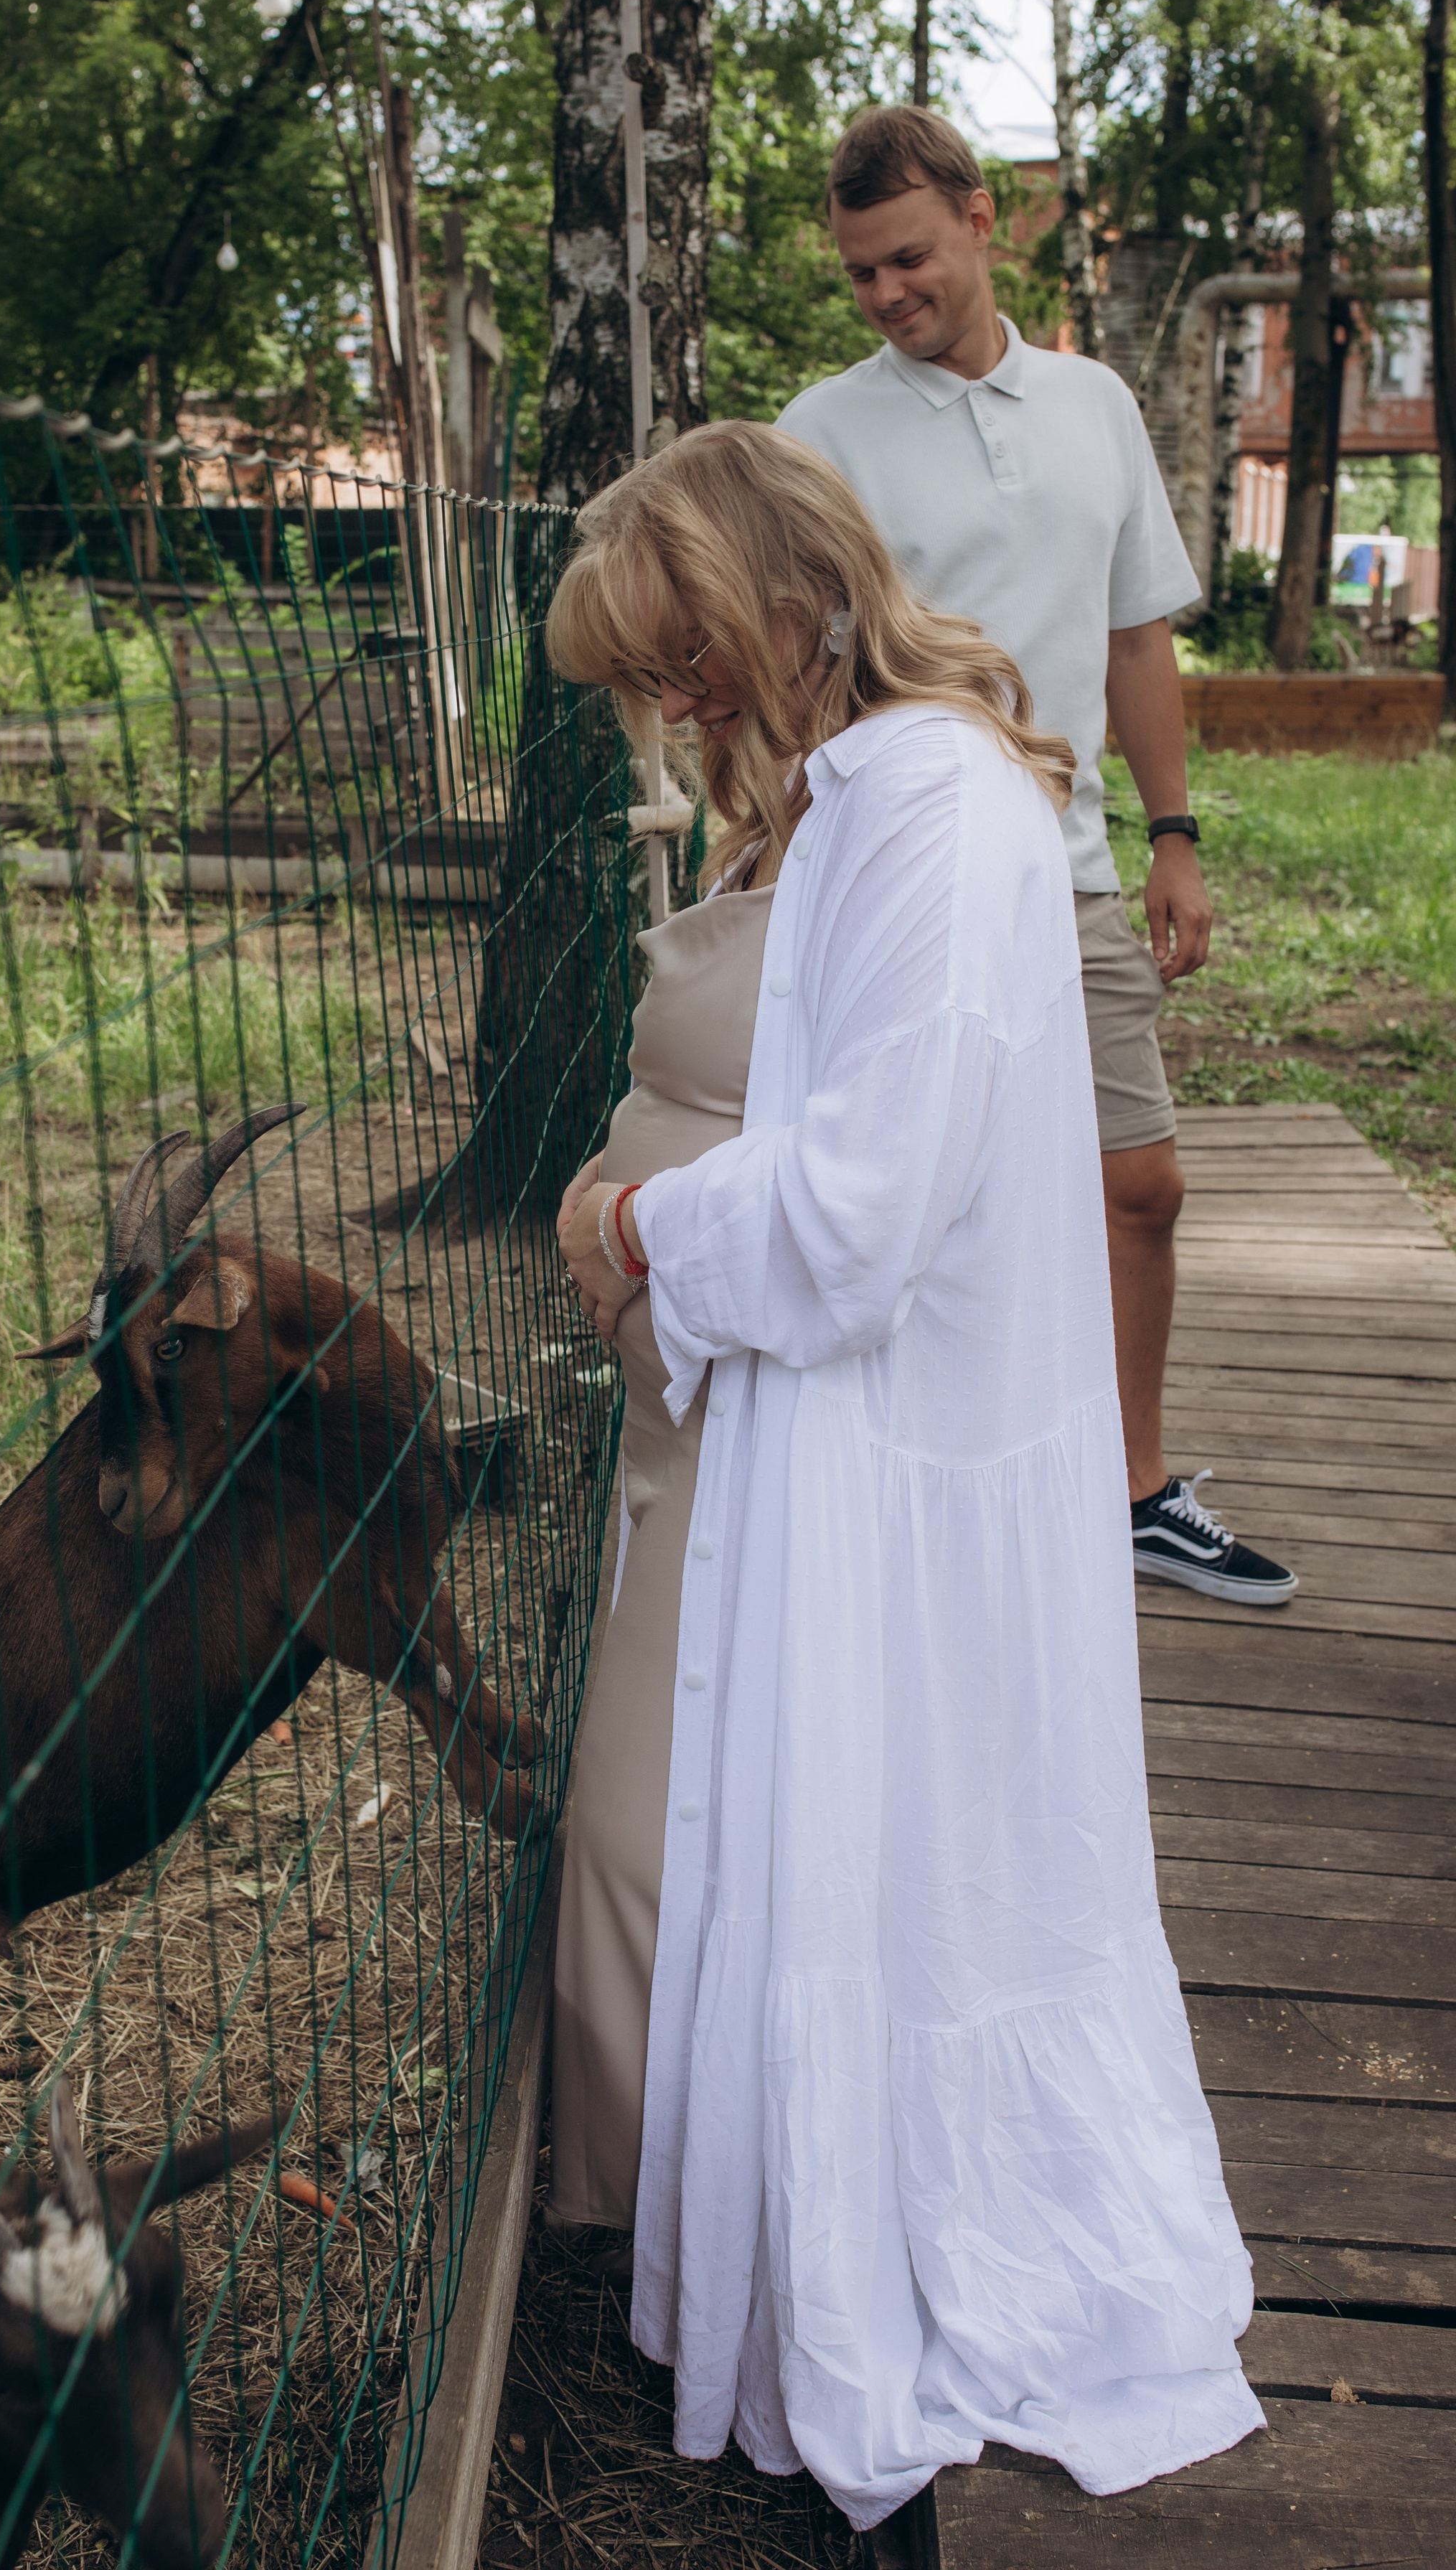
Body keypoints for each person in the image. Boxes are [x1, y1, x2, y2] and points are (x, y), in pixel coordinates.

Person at [545, 419, 1261, 2532]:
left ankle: (883, 2262)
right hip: (840, 1441)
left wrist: (630, 1232)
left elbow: (865, 1211)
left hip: (894, 1441)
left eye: (679, 652)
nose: (672, 706)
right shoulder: (865, 796)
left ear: (775, 595)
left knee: (891, 1862)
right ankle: (809, 2234)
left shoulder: (933, 804)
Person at [777, 105, 1296, 1608]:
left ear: (978, 219)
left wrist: (1173, 837)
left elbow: (1133, 638)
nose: (885, 295)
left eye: (908, 259)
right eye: (862, 274)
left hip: (1063, 872)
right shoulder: (820, 435)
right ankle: (918, 1497)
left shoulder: (1096, 409)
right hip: (906, 877)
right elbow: (796, 672)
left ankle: (1132, 1491)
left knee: (1136, 1187)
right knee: (922, 1199)